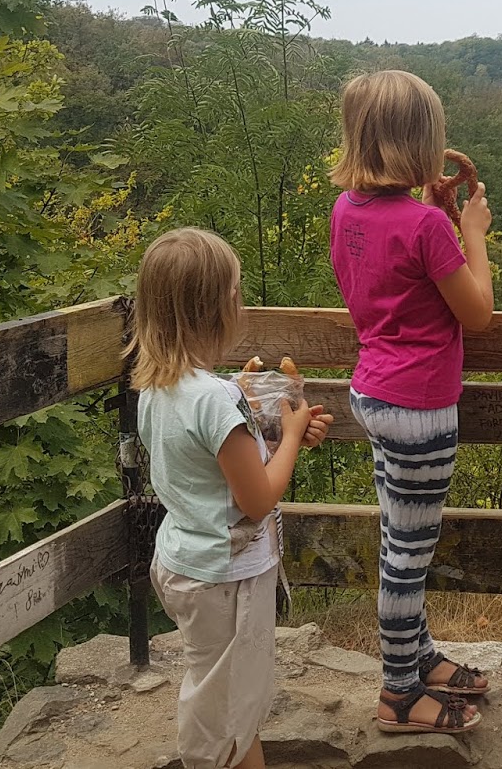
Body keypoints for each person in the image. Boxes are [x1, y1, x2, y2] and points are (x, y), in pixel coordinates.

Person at [328, 70, 495, 734]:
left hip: (372, 393)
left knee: (399, 536)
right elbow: (477, 314)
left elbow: (391, 276)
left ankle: (417, 655)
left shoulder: (346, 210)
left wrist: (433, 208)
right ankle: (398, 694)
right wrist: (472, 230)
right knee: (408, 556)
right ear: (422, 142)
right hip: (420, 409)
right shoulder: (429, 226)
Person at [129, 227, 332, 769]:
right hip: (227, 578)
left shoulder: (157, 386)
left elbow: (207, 467)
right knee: (229, 721)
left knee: (225, 699)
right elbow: (257, 499)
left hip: (184, 562)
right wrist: (290, 437)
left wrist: (265, 428)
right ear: (220, 306)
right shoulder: (217, 400)